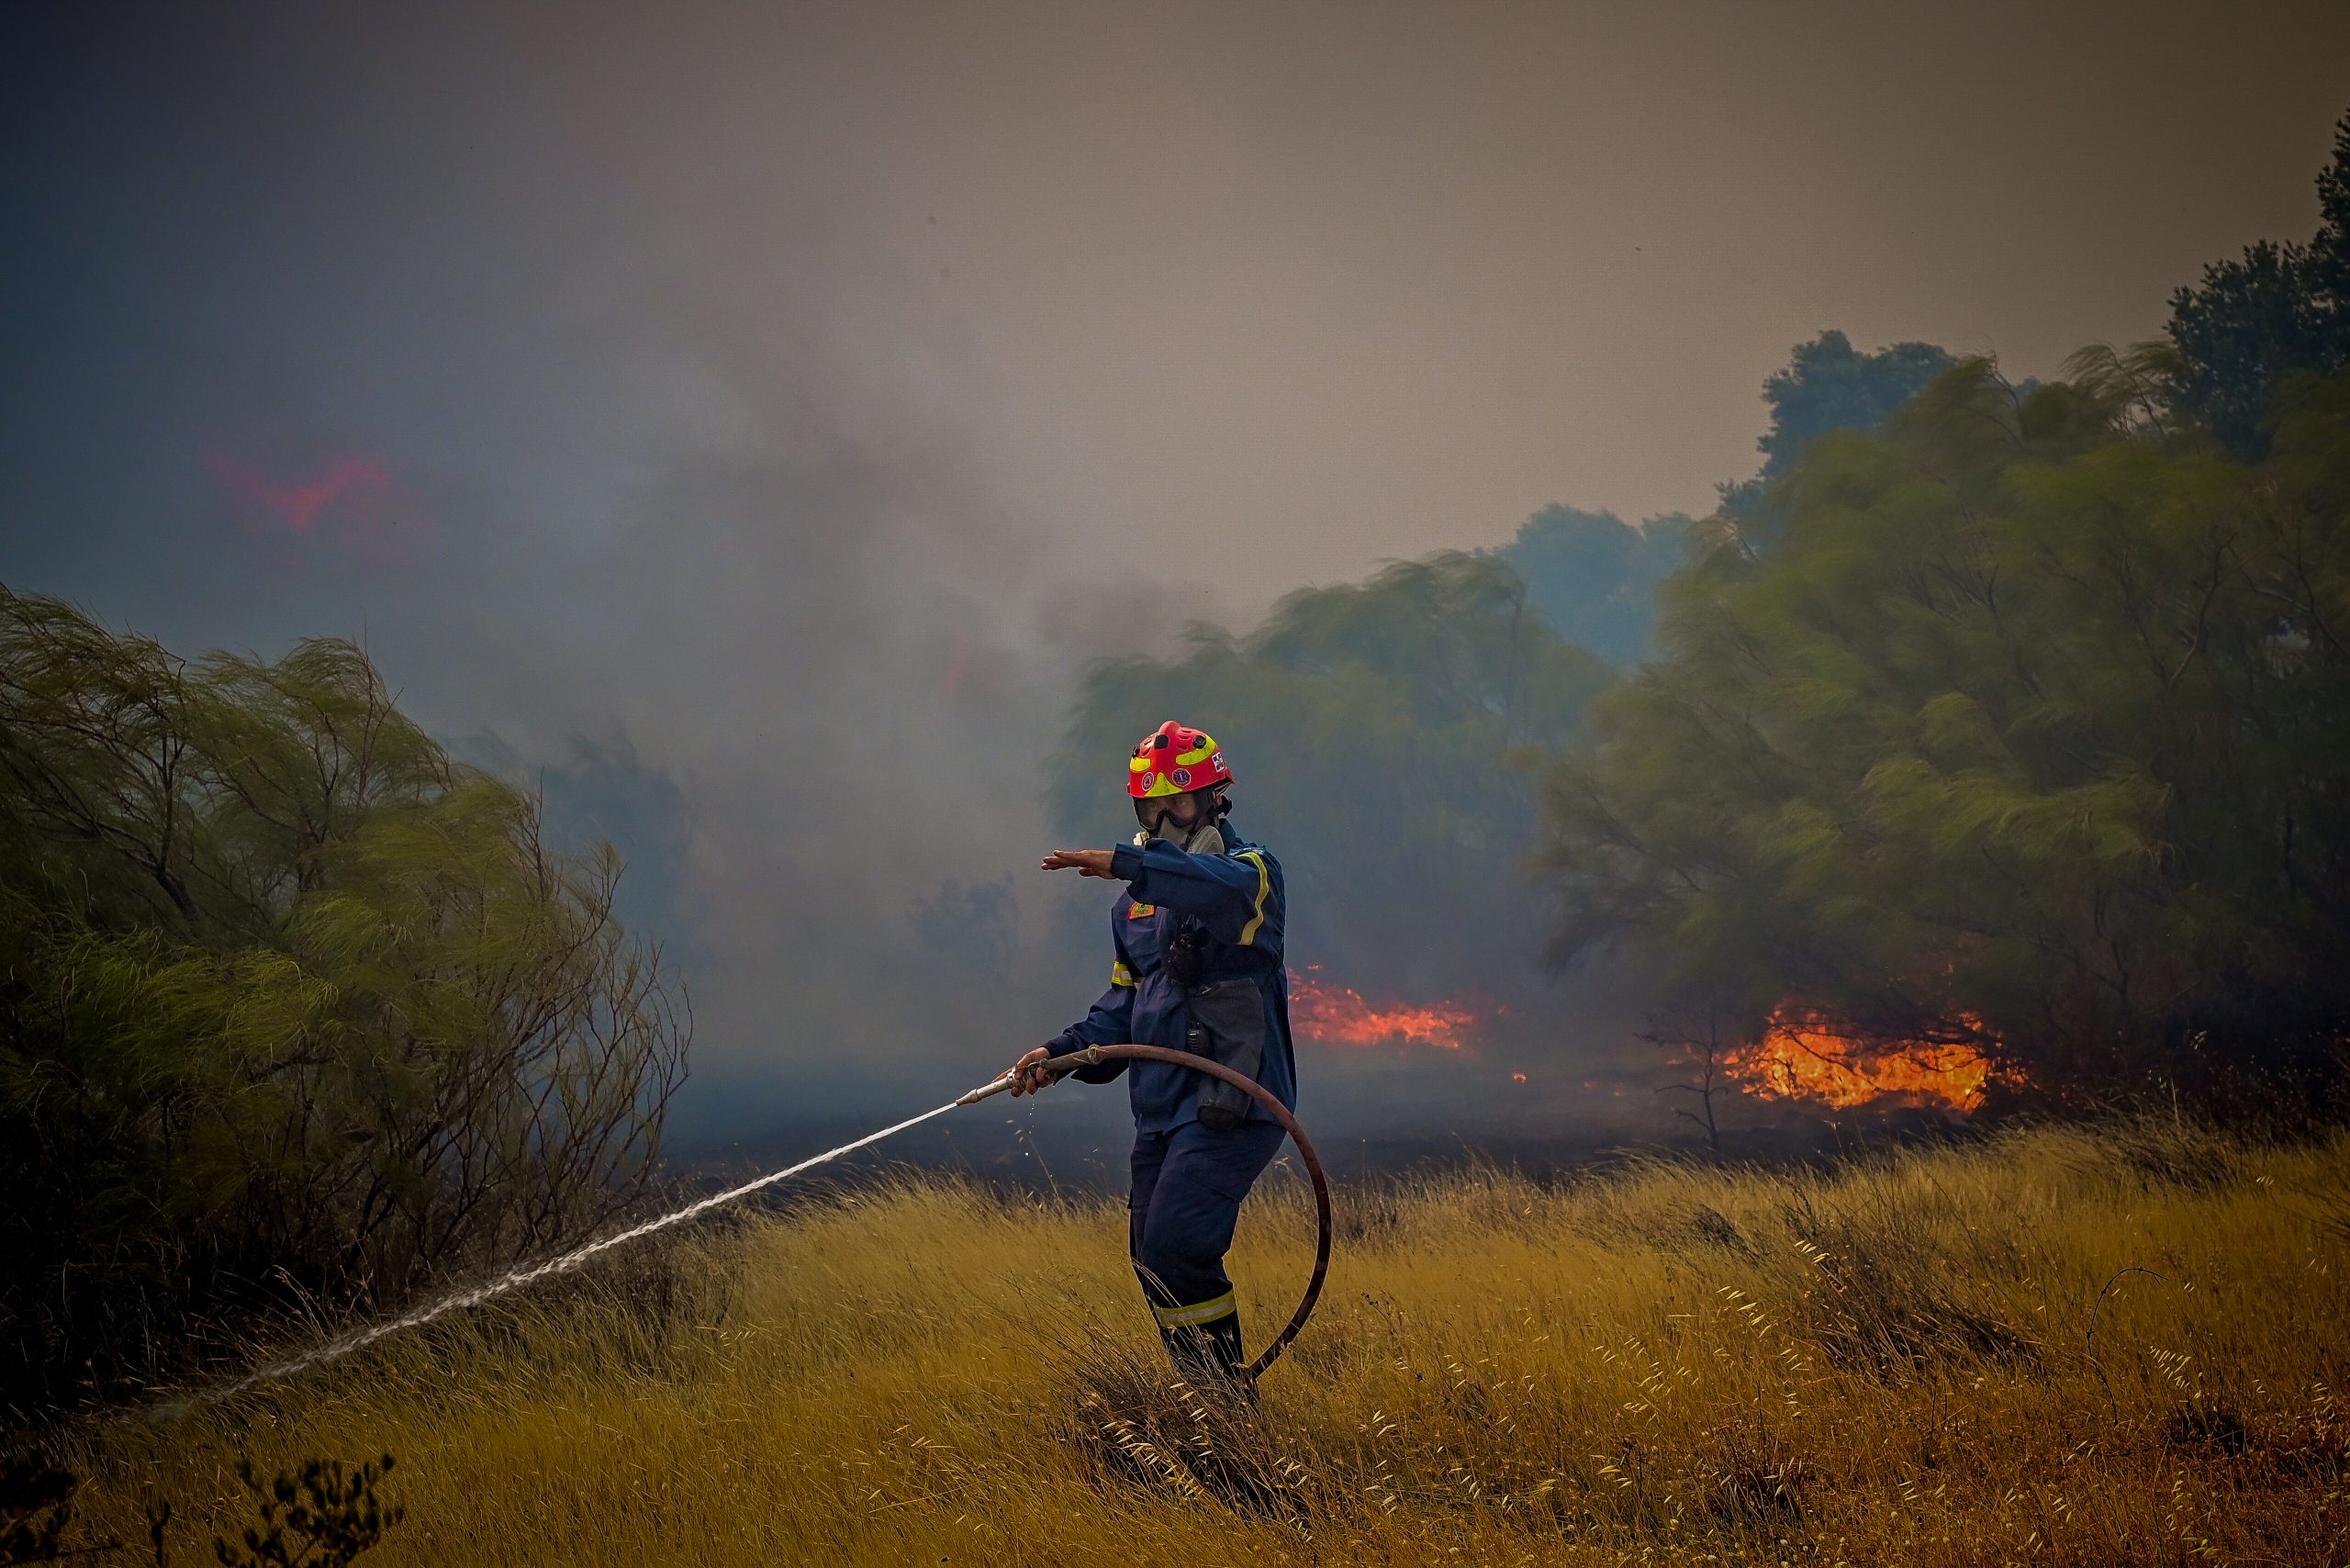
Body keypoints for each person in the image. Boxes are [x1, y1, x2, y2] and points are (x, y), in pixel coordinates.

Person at [1008, 720, 1297, 1391]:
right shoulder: (1131, 912)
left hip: (1234, 1101)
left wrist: (1130, 864)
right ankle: (1206, 1403)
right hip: (1162, 1112)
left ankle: (1227, 1408)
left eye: (1182, 805)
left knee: (1178, 1245)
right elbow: (1121, 1009)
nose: (1165, 820)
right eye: (1150, 809)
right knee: (1152, 1258)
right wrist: (1059, 1054)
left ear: (1216, 801)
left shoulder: (1251, 877)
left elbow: (1208, 883)